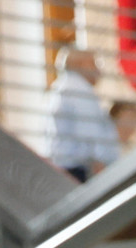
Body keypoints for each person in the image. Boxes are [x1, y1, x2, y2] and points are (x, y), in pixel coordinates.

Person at [44, 47, 118, 181]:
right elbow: (90, 134)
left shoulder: (61, 88)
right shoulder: (79, 89)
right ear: (80, 64)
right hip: (76, 171)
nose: (98, 69)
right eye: (94, 63)